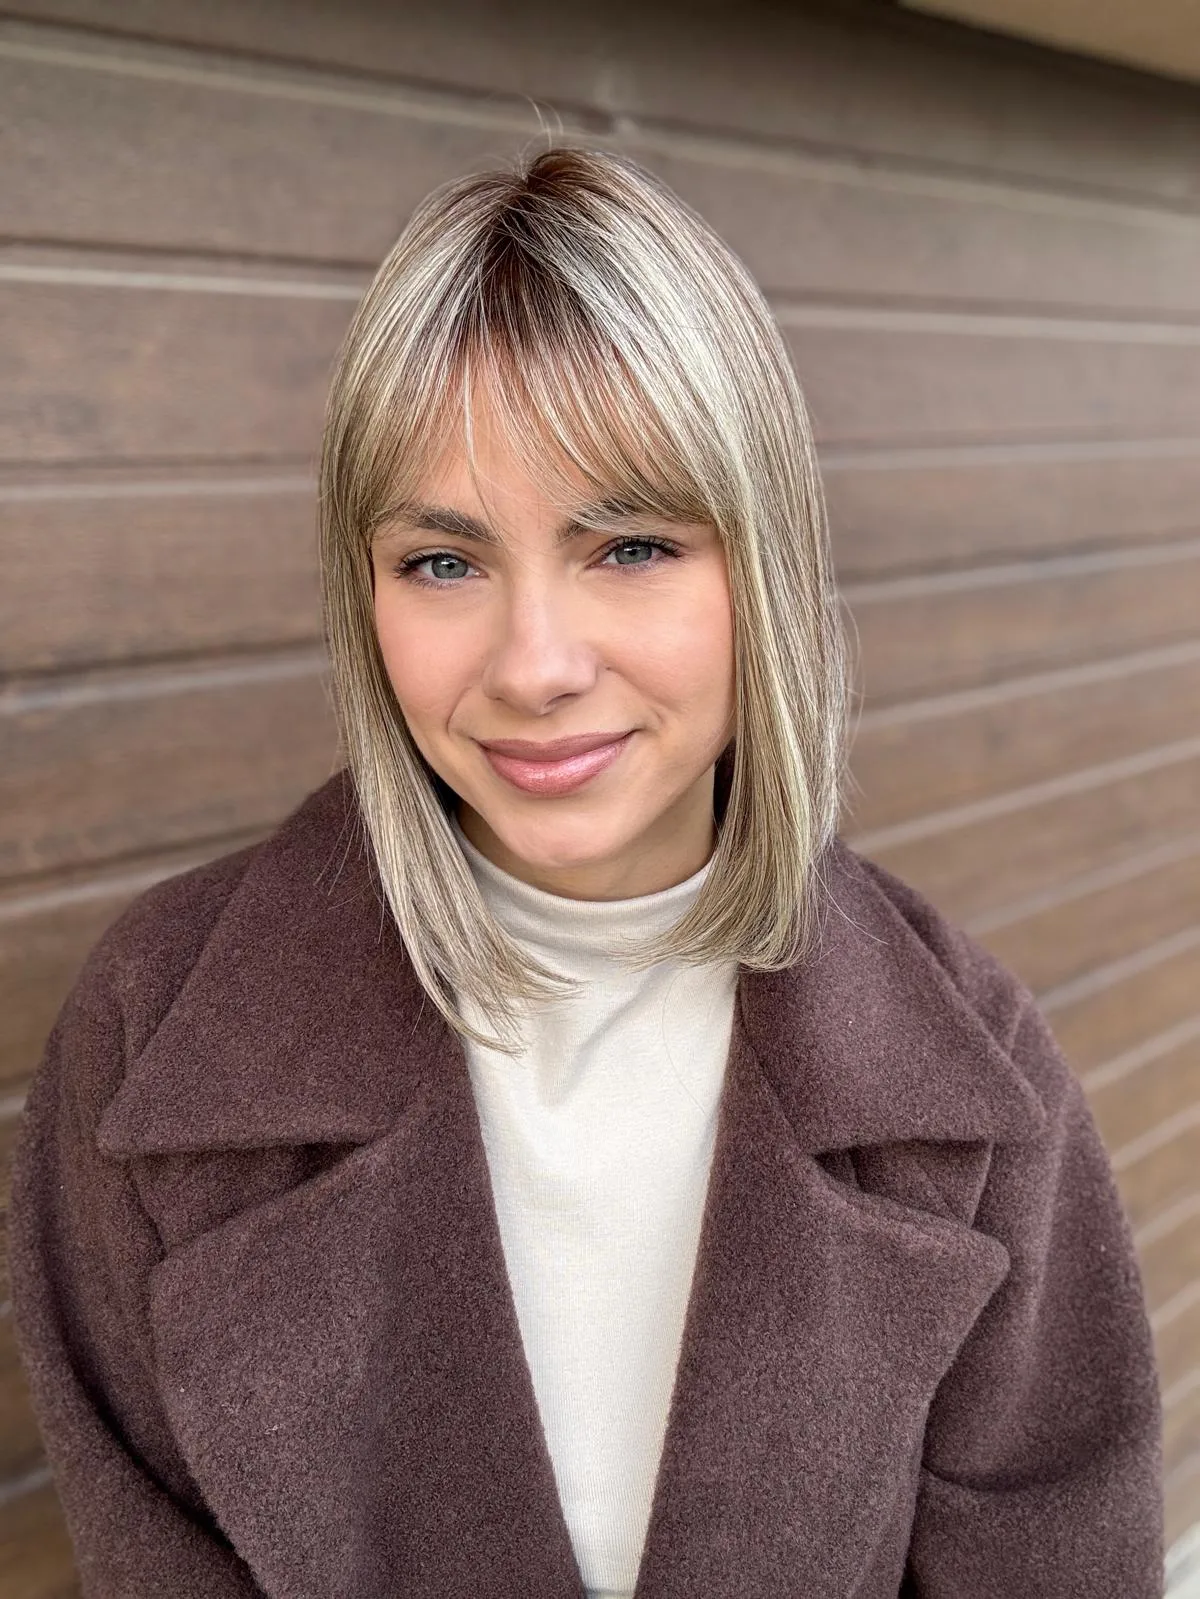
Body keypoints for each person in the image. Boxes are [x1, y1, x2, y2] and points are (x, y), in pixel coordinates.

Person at [10, 145, 1163, 1599]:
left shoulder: (971, 1073)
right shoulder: (155, 1033)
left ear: (765, 567)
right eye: (444, 562)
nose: (535, 666)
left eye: (629, 546)